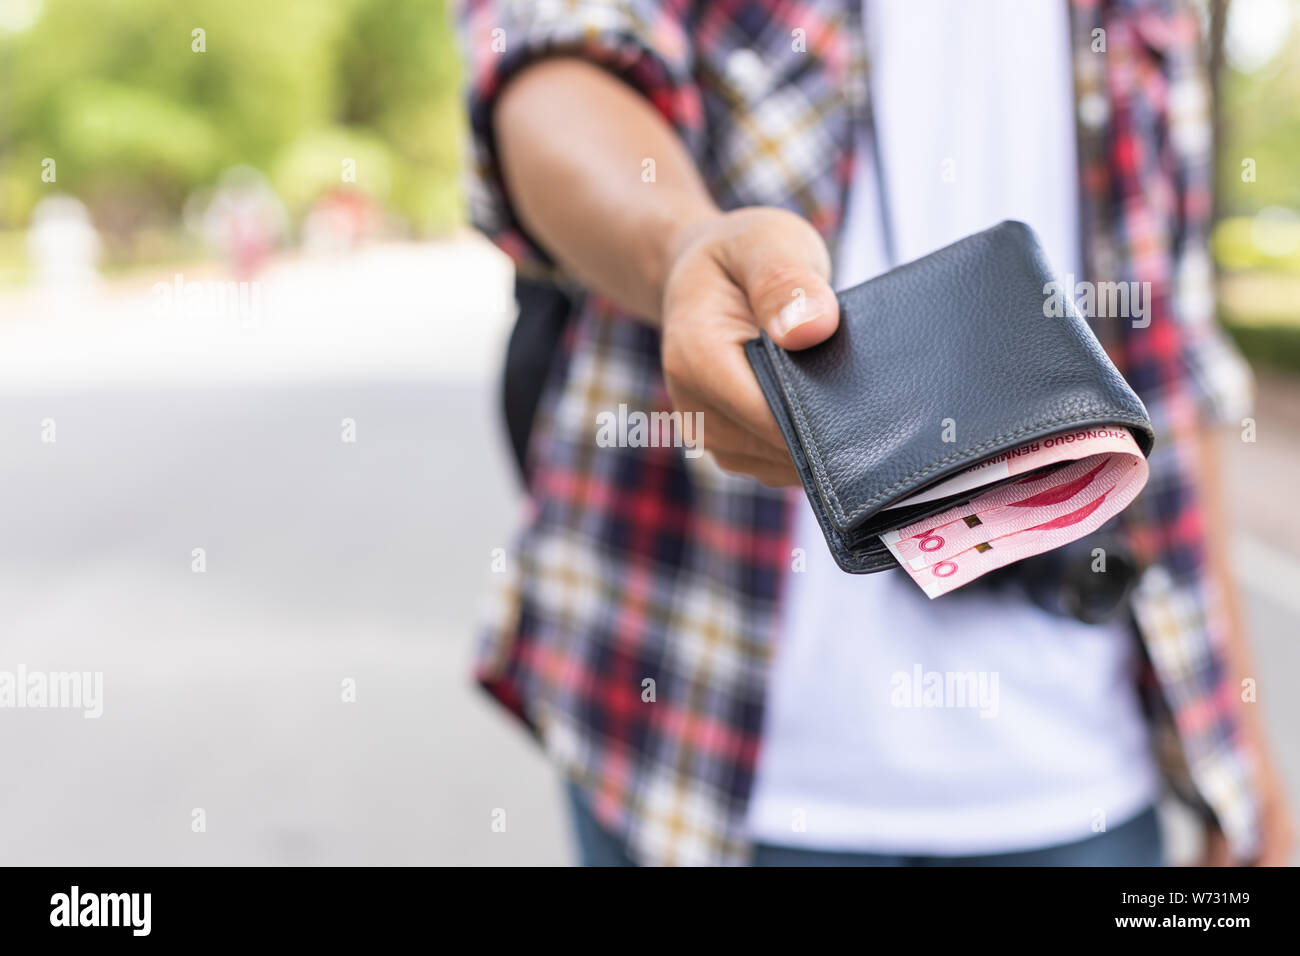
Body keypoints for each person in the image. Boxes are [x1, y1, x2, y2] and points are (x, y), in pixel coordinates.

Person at [459, 0, 1294, 866]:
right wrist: (681, 248)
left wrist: (1239, 749)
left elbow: (1171, 368)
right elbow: (553, 57)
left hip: (1084, 778)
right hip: (700, 745)